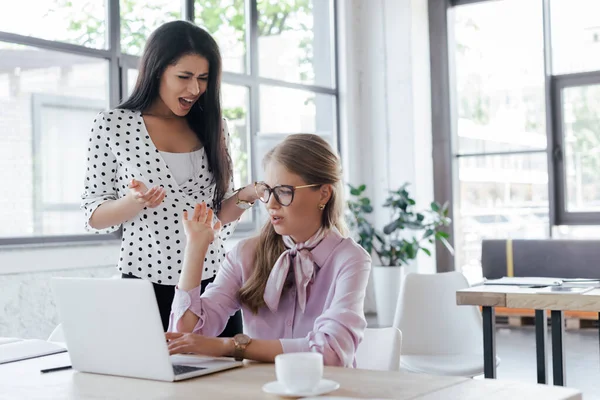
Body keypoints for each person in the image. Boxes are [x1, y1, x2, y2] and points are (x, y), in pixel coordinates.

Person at [80, 20, 257, 333]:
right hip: (147, 284)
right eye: (184, 76)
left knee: (228, 377)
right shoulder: (113, 125)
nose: (195, 89)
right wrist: (133, 202)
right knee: (154, 378)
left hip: (214, 283)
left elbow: (217, 217)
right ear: (157, 70)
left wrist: (246, 196)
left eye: (203, 78)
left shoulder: (215, 126)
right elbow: (93, 216)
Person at [165, 134, 371, 367]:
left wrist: (232, 346)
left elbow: (330, 353)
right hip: (260, 389)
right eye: (267, 191)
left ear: (323, 194)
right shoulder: (245, 254)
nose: (271, 204)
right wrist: (195, 247)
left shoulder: (351, 259)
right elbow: (184, 338)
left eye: (284, 191)